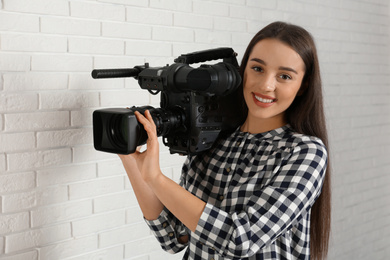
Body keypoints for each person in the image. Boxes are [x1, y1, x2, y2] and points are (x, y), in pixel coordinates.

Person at [119, 21, 331, 260]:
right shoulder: (212, 140)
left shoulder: (304, 152)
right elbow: (173, 237)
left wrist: (155, 178)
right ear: (243, 72)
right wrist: (130, 155)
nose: (266, 85)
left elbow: (241, 240)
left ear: (303, 86)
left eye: (284, 76)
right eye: (258, 69)